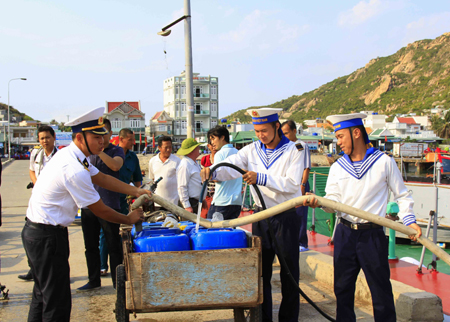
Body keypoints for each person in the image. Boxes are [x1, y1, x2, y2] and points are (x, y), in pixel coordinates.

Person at [21, 107, 147, 322]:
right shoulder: (73, 168)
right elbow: (99, 209)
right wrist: (128, 218)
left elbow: (103, 179)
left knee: (42, 296)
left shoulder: (74, 156)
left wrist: (137, 191)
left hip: (38, 233)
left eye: (103, 136)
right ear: (80, 137)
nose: (102, 141)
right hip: (46, 237)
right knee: (56, 302)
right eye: (96, 137)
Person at [306, 113, 422, 322]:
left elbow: (402, 195)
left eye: (341, 136)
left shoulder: (384, 162)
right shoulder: (337, 167)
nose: (338, 142)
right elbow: (333, 202)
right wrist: (320, 202)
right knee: (342, 289)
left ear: (356, 133)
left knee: (380, 291)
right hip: (345, 233)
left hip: (372, 235)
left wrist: (409, 221)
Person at [201, 108, 304, 322]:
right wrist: (213, 171)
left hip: (284, 217)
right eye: (257, 131)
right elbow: (231, 168)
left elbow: (293, 184)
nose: (260, 135)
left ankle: (288, 319)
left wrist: (261, 178)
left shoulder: (295, 150)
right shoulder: (252, 149)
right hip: (260, 218)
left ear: (277, 127)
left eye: (264, 130)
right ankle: (263, 318)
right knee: (261, 273)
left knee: (289, 274)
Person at [78, 118, 125, 291]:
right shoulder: (86, 154)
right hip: (89, 206)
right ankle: (93, 280)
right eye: (95, 134)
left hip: (109, 205)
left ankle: (117, 283)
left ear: (110, 134)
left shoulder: (116, 150)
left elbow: (114, 167)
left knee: (114, 246)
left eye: (103, 133)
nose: (100, 137)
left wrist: (99, 152)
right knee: (90, 246)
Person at [19, 126, 59, 281]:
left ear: (54, 137)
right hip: (37, 200)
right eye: (41, 138)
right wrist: (37, 184)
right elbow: (31, 170)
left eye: (47, 138)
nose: (44, 141)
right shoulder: (36, 153)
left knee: (53, 239)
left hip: (53, 203)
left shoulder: (59, 156)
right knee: (29, 235)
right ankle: (34, 269)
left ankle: (57, 271)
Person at [281, 120, 311, 252]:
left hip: (300, 184)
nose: (285, 136)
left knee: (300, 214)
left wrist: (303, 185)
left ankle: (302, 242)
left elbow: (306, 167)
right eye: (283, 133)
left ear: (294, 131)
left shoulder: (301, 146)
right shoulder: (285, 147)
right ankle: (291, 240)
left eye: (287, 133)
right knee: (289, 214)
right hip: (288, 184)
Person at [206, 126, 243, 220]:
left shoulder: (220, 154)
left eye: (213, 138)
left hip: (221, 201)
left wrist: (208, 175)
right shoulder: (238, 153)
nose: (212, 142)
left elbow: (216, 177)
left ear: (222, 137)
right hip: (236, 202)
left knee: (212, 231)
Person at [148, 136, 181, 209]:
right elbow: (152, 179)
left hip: (173, 203)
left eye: (170, 147)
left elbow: (181, 181)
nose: (168, 150)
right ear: (159, 148)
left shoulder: (177, 161)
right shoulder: (152, 161)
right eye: (166, 147)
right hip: (157, 203)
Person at [118, 128, 143, 215]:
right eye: (130, 140)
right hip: (109, 198)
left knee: (124, 225)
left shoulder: (133, 157)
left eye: (133, 140)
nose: (133, 143)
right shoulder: (111, 154)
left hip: (124, 200)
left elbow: (137, 179)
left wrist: (140, 197)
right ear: (121, 139)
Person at [177, 138, 203, 214]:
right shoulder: (185, 165)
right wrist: (187, 206)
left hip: (195, 202)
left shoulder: (193, 163)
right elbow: (182, 186)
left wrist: (202, 199)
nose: (199, 149)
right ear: (192, 151)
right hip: (190, 202)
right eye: (197, 147)